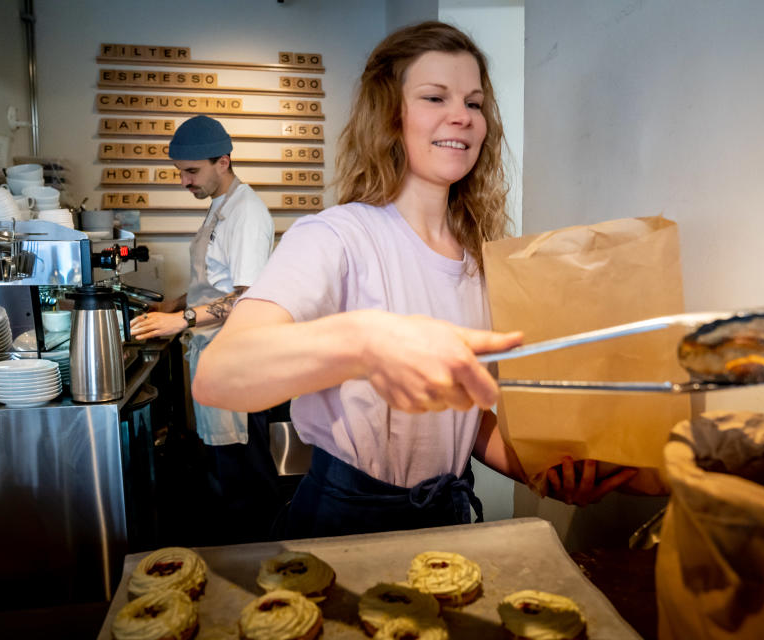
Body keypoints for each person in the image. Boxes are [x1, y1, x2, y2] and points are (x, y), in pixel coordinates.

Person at [192, 22, 636, 538]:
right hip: (346, 519)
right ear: (390, 116)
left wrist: (537, 472)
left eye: (474, 103)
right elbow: (219, 375)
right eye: (434, 97)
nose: (461, 117)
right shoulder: (336, 236)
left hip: (446, 514)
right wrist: (364, 341)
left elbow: (461, 413)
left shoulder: (480, 259)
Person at [129, 115, 285, 542]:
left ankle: (266, 571)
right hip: (215, 361)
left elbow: (245, 297)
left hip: (239, 367)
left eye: (191, 172)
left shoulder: (246, 212)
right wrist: (173, 304)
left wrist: (180, 320)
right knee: (225, 477)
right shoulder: (219, 207)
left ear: (224, 161)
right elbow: (211, 282)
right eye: (180, 172)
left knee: (247, 485)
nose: (184, 182)